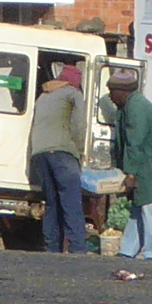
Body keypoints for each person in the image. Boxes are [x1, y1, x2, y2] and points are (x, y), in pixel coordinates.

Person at [107, 61, 152, 263]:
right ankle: (127, 251)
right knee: (138, 209)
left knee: (151, 211)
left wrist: (131, 174)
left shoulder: (137, 107)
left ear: (122, 92)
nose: (110, 97)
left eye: (112, 92)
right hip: (147, 165)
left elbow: (135, 142)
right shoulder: (126, 107)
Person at [28, 56, 93, 252]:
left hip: (39, 154)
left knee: (52, 203)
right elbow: (79, 125)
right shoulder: (73, 94)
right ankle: (77, 248)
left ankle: (52, 249)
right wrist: (80, 151)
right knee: (71, 203)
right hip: (63, 152)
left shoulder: (43, 96)